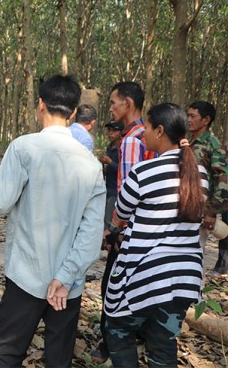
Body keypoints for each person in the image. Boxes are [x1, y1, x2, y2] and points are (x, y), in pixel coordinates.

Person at [0, 75, 105, 367]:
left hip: (26, 276)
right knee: (59, 359)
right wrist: (64, 277)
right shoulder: (91, 164)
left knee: (7, 353)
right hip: (67, 286)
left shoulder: (24, 148)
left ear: (40, 104)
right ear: (73, 112)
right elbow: (91, 235)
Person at [105, 103, 208, 367]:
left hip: (146, 273)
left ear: (160, 131)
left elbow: (120, 215)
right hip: (185, 277)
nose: (143, 134)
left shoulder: (143, 172)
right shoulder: (200, 174)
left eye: (147, 128)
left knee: (117, 329)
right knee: (163, 346)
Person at [92, 81, 156, 363]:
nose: (110, 107)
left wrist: (115, 230)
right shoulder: (149, 135)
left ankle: (110, 344)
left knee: (112, 287)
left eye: (113, 102)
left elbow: (128, 193)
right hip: (149, 230)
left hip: (129, 232)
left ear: (128, 103)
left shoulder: (131, 140)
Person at [187, 101, 228, 273]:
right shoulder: (190, 142)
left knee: (194, 253)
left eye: (193, 116)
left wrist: (211, 212)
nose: (189, 120)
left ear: (206, 120)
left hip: (201, 210)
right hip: (188, 206)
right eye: (188, 115)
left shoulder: (212, 145)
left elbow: (223, 180)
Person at [98, 120, 123, 230]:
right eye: (109, 130)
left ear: (121, 132)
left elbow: (124, 169)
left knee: (110, 219)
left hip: (116, 190)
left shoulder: (122, 147)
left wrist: (110, 163)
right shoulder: (109, 147)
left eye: (114, 131)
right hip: (108, 187)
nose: (111, 133)